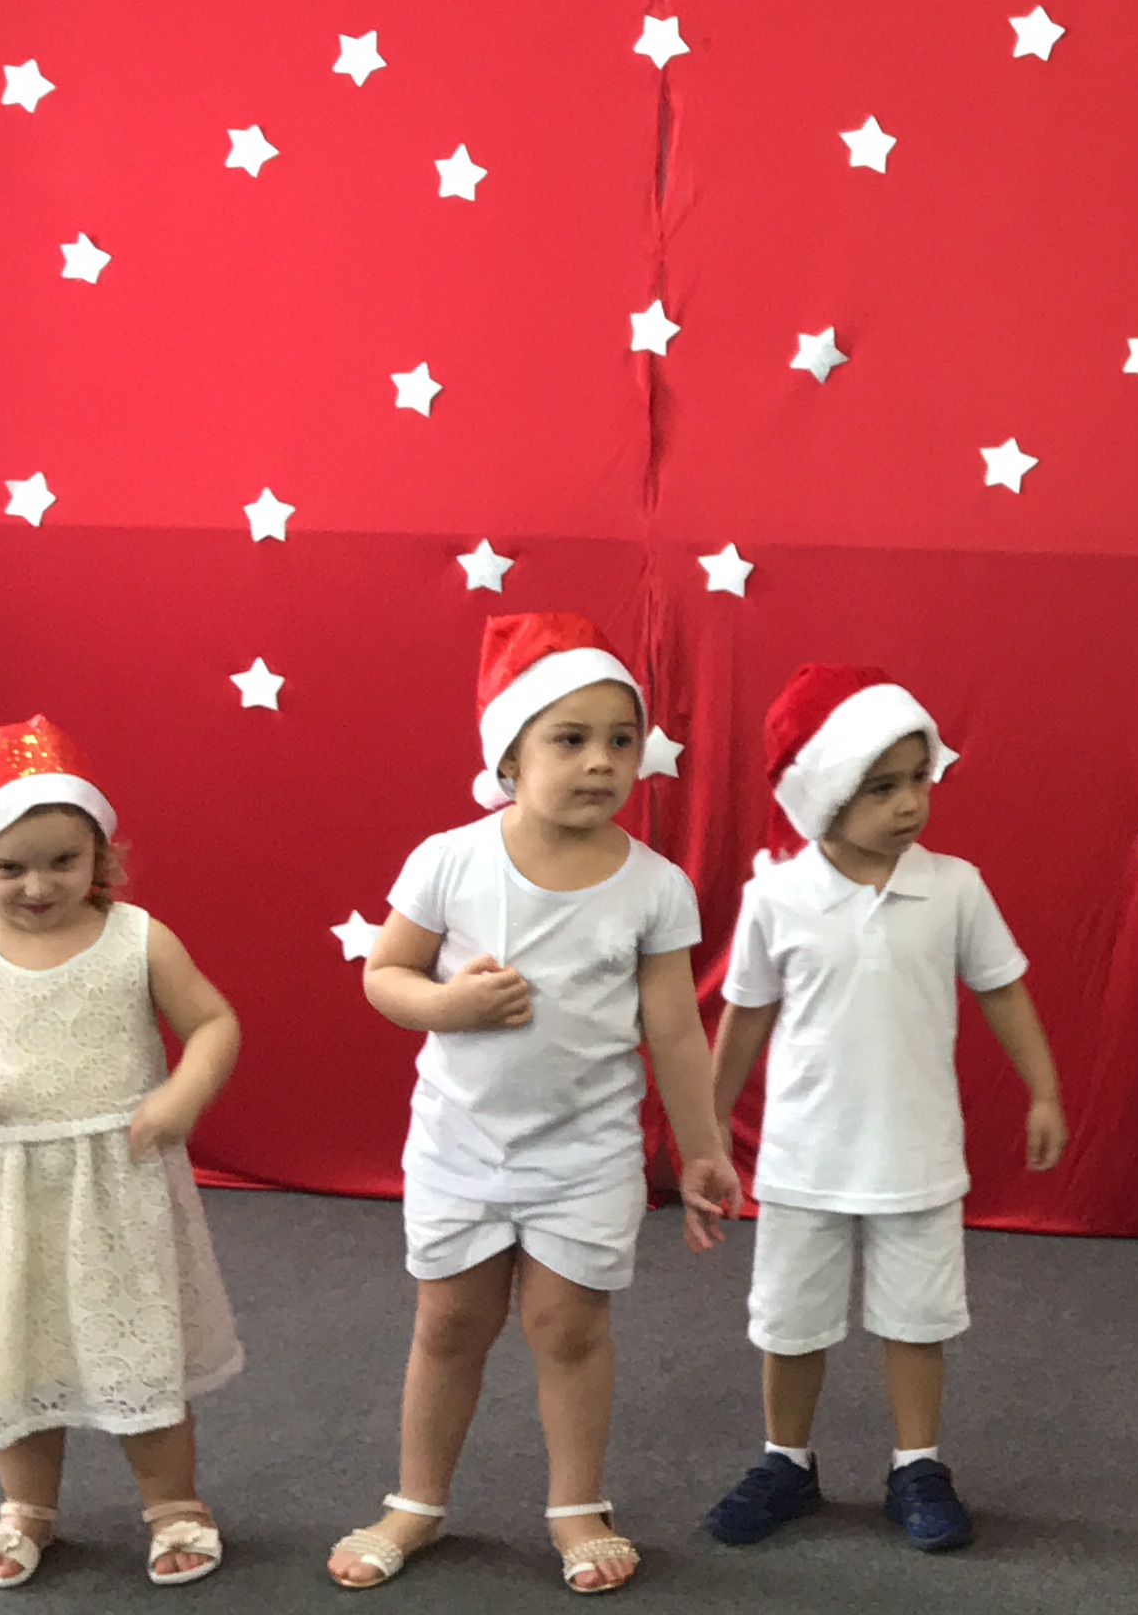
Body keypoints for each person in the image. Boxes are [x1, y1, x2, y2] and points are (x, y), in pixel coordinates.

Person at [328, 613, 738, 1595]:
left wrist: (703, 1148)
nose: (601, 762)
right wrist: (447, 1005)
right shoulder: (449, 859)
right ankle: (417, 1502)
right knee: (448, 1325)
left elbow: (676, 1032)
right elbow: (385, 975)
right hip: (460, 1146)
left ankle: (576, 1505)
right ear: (509, 754)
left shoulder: (656, 887)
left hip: (586, 1154)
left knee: (569, 1328)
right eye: (570, 739)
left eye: (621, 741)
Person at [701, 665, 1069, 1554]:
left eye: (917, 779)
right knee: (791, 1322)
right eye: (881, 787)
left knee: (917, 1321)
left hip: (916, 1157)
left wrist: (1046, 1090)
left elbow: (1002, 989)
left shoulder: (955, 887)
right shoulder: (775, 897)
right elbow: (744, 1017)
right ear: (825, 795)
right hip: (803, 1161)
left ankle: (918, 1465)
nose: (910, 803)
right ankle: (785, 1462)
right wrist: (704, 1128)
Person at [0, 717, 244, 1589]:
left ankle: (173, 1503)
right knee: (16, 1353)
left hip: (114, 1186)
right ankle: (26, 1509)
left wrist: (182, 1095)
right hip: (3, 1195)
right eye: (9, 868)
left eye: (62, 861)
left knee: (137, 1346)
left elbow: (213, 1022)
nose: (38, 885)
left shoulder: (138, 939)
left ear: (98, 855)